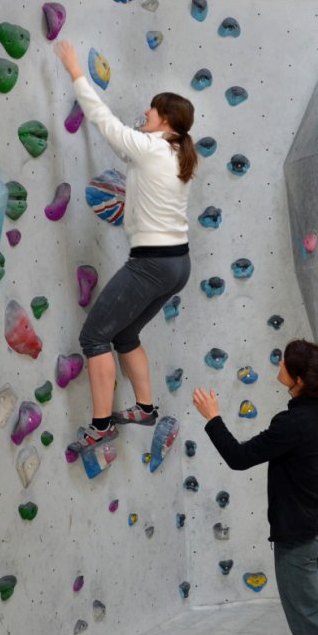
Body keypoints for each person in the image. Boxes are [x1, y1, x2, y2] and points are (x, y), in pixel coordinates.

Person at [54, 40, 195, 449]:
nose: (146, 114)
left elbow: (106, 123)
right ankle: (146, 409)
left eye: (152, 110)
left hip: (151, 265)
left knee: (94, 337)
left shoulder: (152, 147)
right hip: (177, 265)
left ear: (165, 119)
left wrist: (75, 70)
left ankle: (100, 425)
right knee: (126, 334)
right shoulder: (177, 153)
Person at [192, 340, 318, 635]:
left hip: (300, 540)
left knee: (309, 622)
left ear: (298, 380)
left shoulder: (292, 424)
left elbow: (239, 457)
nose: (279, 367)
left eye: (283, 364)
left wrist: (212, 418)